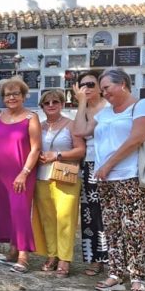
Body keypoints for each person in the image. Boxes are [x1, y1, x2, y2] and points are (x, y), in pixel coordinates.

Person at [72, 68, 145, 291]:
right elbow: (79, 130)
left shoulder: (142, 106)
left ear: (122, 84)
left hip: (131, 176)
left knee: (134, 228)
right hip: (106, 179)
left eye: (107, 88)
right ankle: (116, 273)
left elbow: (135, 140)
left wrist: (108, 164)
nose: (104, 93)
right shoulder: (105, 113)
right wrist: (82, 101)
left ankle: (138, 277)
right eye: (102, 90)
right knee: (111, 227)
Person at [0, 77, 41, 274]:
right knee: (6, 211)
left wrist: (24, 173)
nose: (12, 97)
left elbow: (36, 148)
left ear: (23, 96)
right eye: (8, 94)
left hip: (21, 173)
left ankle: (24, 256)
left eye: (16, 94)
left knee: (20, 211)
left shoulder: (31, 118)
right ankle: (13, 251)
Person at [34, 89, 85, 278]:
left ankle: (65, 259)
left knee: (65, 219)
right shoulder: (38, 126)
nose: (51, 105)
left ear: (62, 104)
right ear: (42, 107)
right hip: (42, 177)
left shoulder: (71, 125)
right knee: (47, 219)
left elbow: (80, 150)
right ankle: (51, 255)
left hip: (66, 176)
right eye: (46, 103)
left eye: (55, 101)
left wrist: (57, 155)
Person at [71, 71, 109, 276]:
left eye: (91, 84)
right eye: (83, 85)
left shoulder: (110, 108)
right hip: (90, 165)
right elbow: (78, 132)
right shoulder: (83, 110)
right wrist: (81, 103)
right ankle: (95, 259)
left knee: (111, 213)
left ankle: (116, 258)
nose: (87, 88)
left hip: (112, 164)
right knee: (90, 214)